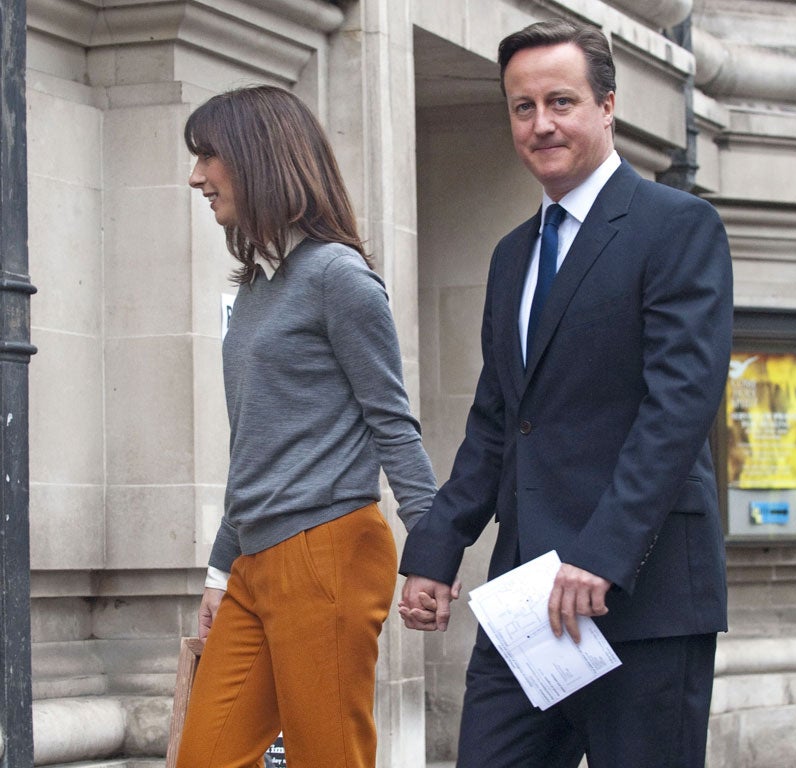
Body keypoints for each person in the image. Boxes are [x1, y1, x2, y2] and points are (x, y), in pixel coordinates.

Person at [398, 18, 732, 768]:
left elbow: (678, 408)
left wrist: (602, 553)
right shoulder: (512, 255)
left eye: (561, 102)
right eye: (523, 107)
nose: (541, 124)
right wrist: (437, 547)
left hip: (643, 595)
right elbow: (498, 421)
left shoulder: (677, 227)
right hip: (528, 596)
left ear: (607, 107)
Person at [176, 85, 436, 768]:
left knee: (329, 758)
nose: (197, 177)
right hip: (254, 559)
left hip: (328, 550)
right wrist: (220, 567)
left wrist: (433, 548)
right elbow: (253, 442)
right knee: (204, 758)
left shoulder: (337, 276)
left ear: (258, 158)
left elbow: (392, 421)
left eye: (209, 156)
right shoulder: (259, 286)